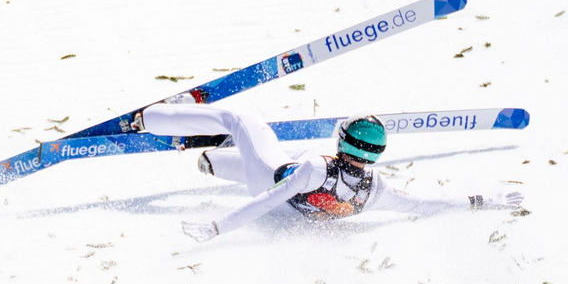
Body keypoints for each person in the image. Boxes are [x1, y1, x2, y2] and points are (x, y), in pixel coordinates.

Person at [134, 103, 525, 243]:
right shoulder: (376, 189)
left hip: (270, 178)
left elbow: (264, 200)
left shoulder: (314, 168)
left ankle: (149, 118)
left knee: (241, 118)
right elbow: (423, 205)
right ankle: (214, 161)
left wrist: (217, 228)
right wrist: (481, 200)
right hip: (292, 218)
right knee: (292, 153)